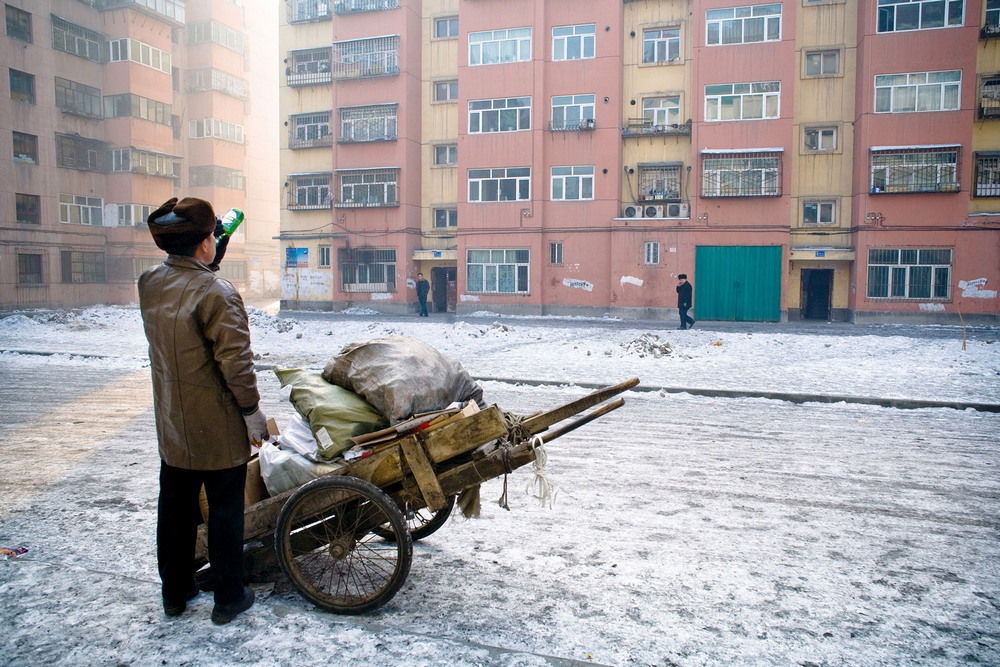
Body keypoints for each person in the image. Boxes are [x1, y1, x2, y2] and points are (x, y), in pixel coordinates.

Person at [138, 197, 268, 625]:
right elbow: (236, 363)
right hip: (216, 424)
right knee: (225, 512)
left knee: (175, 509)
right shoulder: (219, 292)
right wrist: (251, 411)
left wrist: (204, 262)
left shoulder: (150, 282)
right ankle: (229, 597)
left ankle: (175, 593)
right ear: (203, 244)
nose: (216, 241)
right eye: (212, 236)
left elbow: (185, 293)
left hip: (174, 422)